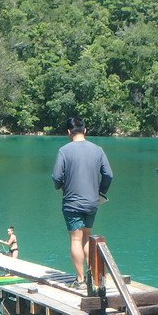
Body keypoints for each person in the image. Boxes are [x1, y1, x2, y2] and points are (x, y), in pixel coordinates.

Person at [52, 117, 112, 289]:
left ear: (69, 132)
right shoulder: (98, 150)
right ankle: (92, 278)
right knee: (87, 237)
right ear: (85, 130)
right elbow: (108, 174)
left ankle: (80, 281)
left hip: (72, 202)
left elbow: (56, 177)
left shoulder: (64, 151)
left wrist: (61, 187)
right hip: (92, 202)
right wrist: (101, 191)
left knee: (76, 239)